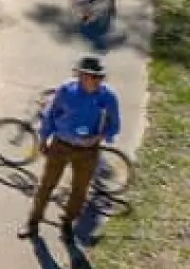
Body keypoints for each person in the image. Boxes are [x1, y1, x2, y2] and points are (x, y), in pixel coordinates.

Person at [21, 54, 122, 240]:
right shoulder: (66, 90)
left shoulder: (108, 97)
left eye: (99, 77)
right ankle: (33, 222)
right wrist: (43, 139)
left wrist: (98, 137)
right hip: (61, 146)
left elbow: (114, 125)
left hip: (87, 152)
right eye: (92, 76)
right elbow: (51, 114)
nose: (96, 80)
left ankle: (67, 223)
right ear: (81, 75)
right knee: (46, 185)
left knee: (79, 191)